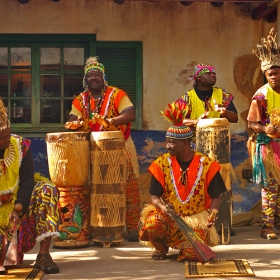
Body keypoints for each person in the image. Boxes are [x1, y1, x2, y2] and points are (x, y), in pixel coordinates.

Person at [139, 100, 227, 261]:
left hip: (195, 219)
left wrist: (213, 213)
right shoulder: (161, 164)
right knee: (153, 224)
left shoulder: (207, 165)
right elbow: (154, 197)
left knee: (192, 254)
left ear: (185, 143)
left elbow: (216, 197)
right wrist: (164, 208)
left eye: (171, 142)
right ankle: (161, 247)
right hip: (170, 216)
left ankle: (185, 247)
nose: (167, 146)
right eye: (167, 141)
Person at [65, 56, 140, 242]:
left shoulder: (117, 94)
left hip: (120, 145)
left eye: (96, 74)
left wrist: (110, 121)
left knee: (128, 186)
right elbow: (72, 120)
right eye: (89, 75)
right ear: (85, 80)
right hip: (92, 148)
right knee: (90, 189)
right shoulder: (80, 99)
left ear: (103, 77)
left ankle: (132, 228)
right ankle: (92, 228)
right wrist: (78, 123)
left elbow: (130, 114)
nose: (93, 77)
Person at [0, 98, 60, 273]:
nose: (7, 139)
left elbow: (27, 181)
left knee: (47, 190)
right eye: (2, 138)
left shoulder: (20, 146)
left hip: (19, 202)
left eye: (8, 134)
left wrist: (18, 209)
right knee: (11, 261)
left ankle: (43, 255)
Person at [247, 27, 280, 240]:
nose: (274, 77)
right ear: (265, 75)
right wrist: (265, 128)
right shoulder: (261, 95)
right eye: (269, 74)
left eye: (276, 72)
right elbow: (251, 123)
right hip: (268, 146)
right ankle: (266, 227)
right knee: (270, 187)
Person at [177, 63, 238, 131]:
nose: (213, 75)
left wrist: (223, 111)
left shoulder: (223, 94)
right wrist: (196, 121)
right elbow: (176, 121)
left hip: (217, 138)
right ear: (198, 77)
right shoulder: (187, 98)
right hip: (193, 140)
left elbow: (235, 118)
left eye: (214, 73)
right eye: (208, 73)